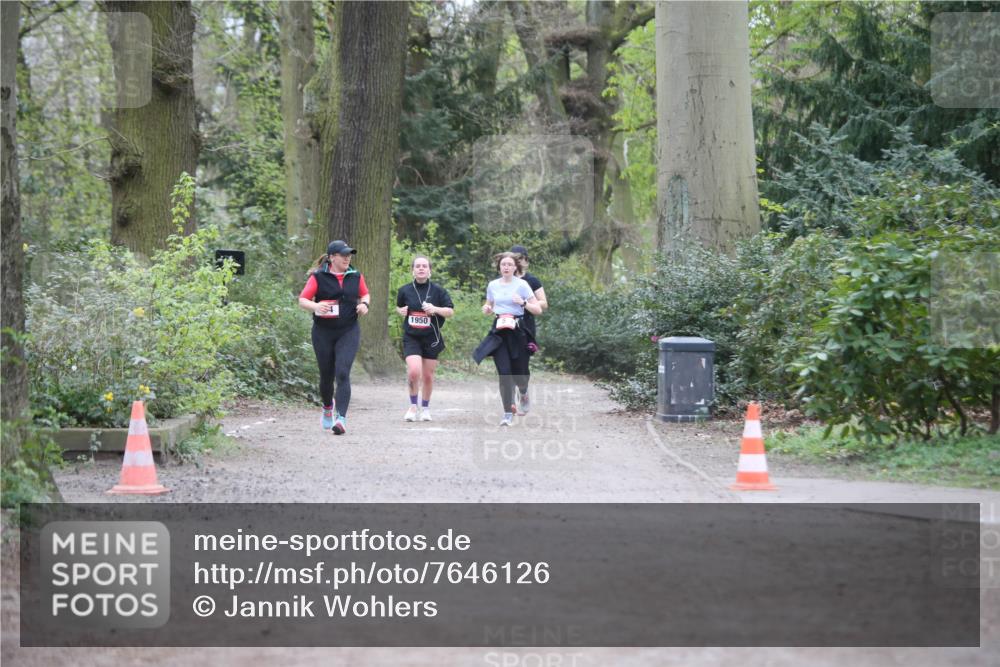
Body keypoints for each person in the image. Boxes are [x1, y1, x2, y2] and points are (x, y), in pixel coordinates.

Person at [298, 240, 370, 435]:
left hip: (348, 330)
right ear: (332, 257)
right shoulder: (318, 277)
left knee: (343, 372)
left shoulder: (356, 276)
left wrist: (364, 305)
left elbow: (365, 294)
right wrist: (316, 306)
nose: (347, 258)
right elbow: (303, 300)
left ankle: (341, 419)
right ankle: (327, 407)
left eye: (349, 255)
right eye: (343, 255)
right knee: (326, 375)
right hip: (323, 332)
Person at [474, 252, 542, 427]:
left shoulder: (522, 285)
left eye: (509, 264)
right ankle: (507, 412)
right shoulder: (493, 285)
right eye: (503, 264)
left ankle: (523, 392)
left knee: (520, 374)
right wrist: (487, 309)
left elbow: (538, 309)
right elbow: (489, 304)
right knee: (504, 372)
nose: (506, 267)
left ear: (515, 267)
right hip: (499, 331)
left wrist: (523, 303)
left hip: (518, 331)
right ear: (499, 267)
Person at [395, 255, 455, 422]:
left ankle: (425, 408)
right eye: (418, 266)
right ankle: (413, 406)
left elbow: (450, 312)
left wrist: (435, 309)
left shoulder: (438, 291)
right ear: (412, 270)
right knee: (414, 371)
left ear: (429, 271)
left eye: (424, 266)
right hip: (412, 337)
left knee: (428, 376)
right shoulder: (404, 290)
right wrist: (400, 311)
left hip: (431, 338)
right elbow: (399, 307)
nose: (421, 268)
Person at [509, 244, 548, 415]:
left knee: (522, 365)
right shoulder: (504, 279)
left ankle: (523, 392)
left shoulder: (532, 281)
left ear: (526, 261)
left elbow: (544, 303)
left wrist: (526, 303)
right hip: (506, 324)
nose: (517, 262)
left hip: (526, 327)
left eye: (520, 259)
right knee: (507, 361)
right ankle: (510, 400)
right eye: (514, 259)